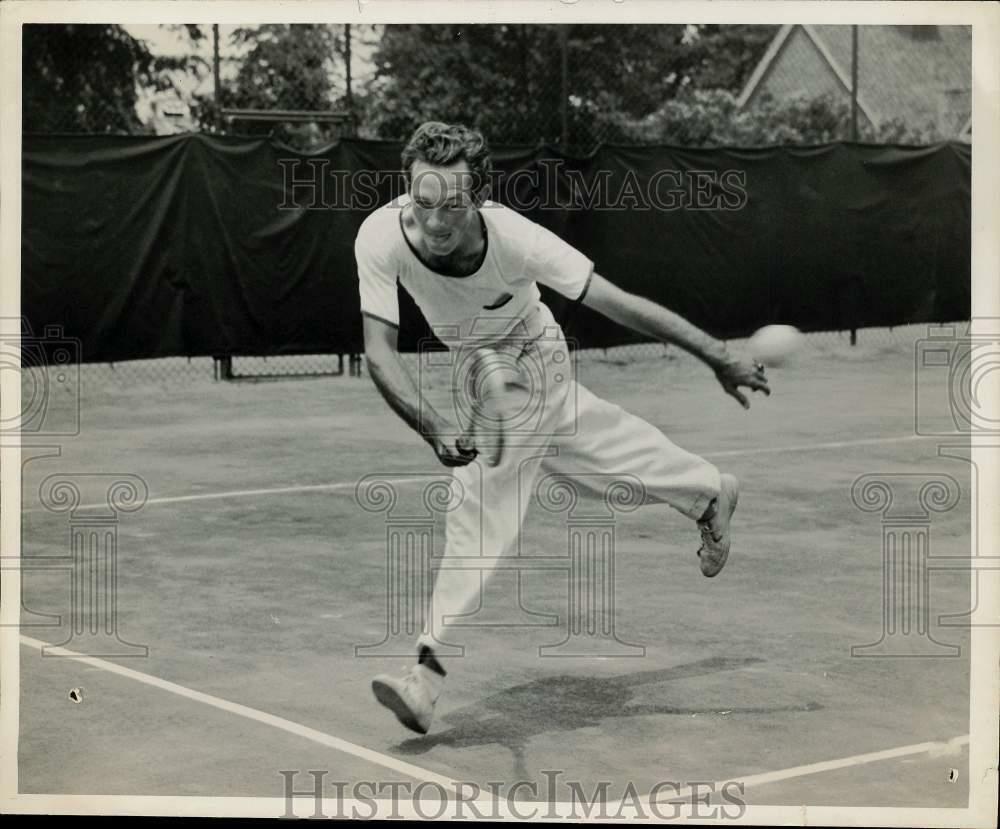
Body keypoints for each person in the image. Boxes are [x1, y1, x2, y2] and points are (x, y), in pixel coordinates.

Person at [355, 122, 770, 735]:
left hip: (532, 355)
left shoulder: (517, 239)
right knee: (598, 451)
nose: (437, 222)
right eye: (423, 202)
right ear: (406, 189)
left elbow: (618, 302)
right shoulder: (380, 237)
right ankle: (709, 491)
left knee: (480, 506)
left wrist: (716, 354)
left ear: (479, 197)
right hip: (475, 366)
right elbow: (379, 352)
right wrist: (433, 426)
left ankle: (426, 676)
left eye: (453, 205)